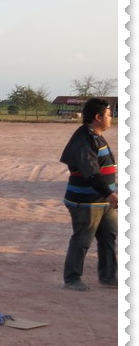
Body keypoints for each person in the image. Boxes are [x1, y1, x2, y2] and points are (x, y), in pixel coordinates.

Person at [59, 98, 118, 291]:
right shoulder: (84, 139)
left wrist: (108, 195)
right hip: (85, 201)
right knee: (82, 239)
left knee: (109, 236)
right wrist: (109, 193)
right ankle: (72, 279)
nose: (111, 118)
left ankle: (109, 277)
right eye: (108, 115)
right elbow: (91, 172)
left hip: (102, 200)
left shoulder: (95, 135)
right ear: (98, 117)